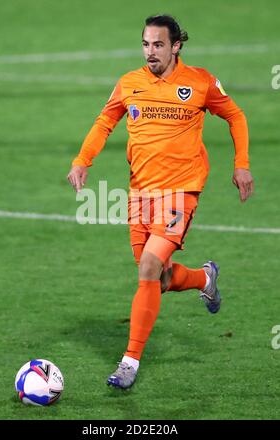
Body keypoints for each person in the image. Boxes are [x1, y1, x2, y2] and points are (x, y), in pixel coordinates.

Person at [67, 14, 254, 389]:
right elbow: (105, 121)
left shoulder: (199, 82)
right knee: (158, 275)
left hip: (181, 191)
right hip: (139, 194)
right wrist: (82, 161)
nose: (150, 52)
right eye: (146, 44)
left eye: (158, 45)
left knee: (149, 265)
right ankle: (205, 277)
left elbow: (235, 115)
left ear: (176, 46)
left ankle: (129, 362)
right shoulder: (129, 84)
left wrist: (242, 165)